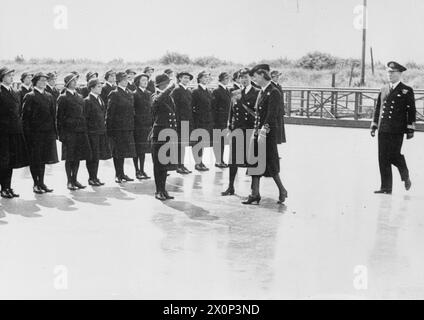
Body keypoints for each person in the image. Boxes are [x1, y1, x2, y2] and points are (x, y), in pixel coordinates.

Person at [243, 65, 288, 205]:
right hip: (259, 132)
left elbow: (272, 115)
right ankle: (255, 194)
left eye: (255, 76)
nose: (254, 79)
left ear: (262, 75)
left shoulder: (273, 91)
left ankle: (282, 190)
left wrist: (263, 131)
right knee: (255, 162)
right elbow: (259, 113)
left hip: (266, 133)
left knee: (270, 163)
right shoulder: (263, 91)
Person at [371, 61, 416, 194]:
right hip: (383, 128)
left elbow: (411, 111)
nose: (389, 75)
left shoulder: (406, 90)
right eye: (388, 72)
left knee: (393, 155)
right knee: (382, 157)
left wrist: (410, 128)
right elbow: (378, 108)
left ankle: (405, 174)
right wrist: (374, 125)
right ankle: (386, 187)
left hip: (397, 130)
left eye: (392, 72)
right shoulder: (383, 89)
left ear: (399, 74)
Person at [222, 68, 258, 196]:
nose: (243, 79)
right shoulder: (236, 92)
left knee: (252, 160)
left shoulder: (257, 92)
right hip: (237, 129)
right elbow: (231, 111)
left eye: (246, 77)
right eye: (241, 77)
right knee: (233, 159)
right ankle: (230, 187)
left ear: (251, 78)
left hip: (250, 129)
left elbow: (258, 112)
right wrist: (229, 126)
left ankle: (254, 190)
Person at [22, 73, 59, 194]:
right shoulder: (30, 96)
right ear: (36, 82)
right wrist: (27, 135)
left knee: (43, 159)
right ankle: (35, 184)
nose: (44, 82)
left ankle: (42, 182)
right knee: (35, 159)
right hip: (35, 134)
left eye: (45, 80)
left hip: (47, 134)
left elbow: (53, 116)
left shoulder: (49, 96)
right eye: (42, 80)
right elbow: (25, 118)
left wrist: (54, 133)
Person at [57, 73, 92, 191]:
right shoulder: (62, 97)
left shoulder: (79, 96)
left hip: (80, 131)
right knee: (69, 157)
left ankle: (75, 179)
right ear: (67, 83)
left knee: (77, 156)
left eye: (75, 81)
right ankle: (69, 181)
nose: (75, 82)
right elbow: (59, 118)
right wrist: (61, 135)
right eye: (72, 81)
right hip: (69, 132)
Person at [0, 67, 29, 198]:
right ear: (2, 77)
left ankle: (8, 187)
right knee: (3, 160)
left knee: (10, 161)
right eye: (9, 75)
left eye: (12, 75)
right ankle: (3, 188)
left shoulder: (14, 91)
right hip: (3, 132)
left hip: (14, 130)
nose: (12, 77)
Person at [151, 74, 178, 200]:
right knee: (158, 164)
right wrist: (169, 89)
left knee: (165, 164)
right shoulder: (155, 96)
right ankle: (158, 190)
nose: (169, 85)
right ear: (161, 84)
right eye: (167, 83)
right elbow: (157, 101)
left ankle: (163, 189)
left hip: (169, 133)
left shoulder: (168, 97)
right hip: (159, 134)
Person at [106, 71, 136, 183]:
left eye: (127, 79)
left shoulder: (129, 92)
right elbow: (110, 113)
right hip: (117, 128)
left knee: (123, 152)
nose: (126, 81)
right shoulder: (114, 93)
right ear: (118, 81)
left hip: (128, 127)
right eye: (123, 80)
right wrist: (110, 129)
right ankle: (118, 174)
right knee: (117, 152)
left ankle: (122, 173)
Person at [84, 78, 111, 186]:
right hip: (92, 133)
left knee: (97, 155)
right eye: (98, 86)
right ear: (92, 88)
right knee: (92, 156)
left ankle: (95, 177)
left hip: (100, 132)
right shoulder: (87, 100)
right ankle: (91, 177)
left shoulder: (99, 99)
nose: (101, 88)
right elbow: (85, 118)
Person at [172, 72, 194, 175]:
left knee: (183, 144)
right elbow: (174, 107)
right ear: (180, 79)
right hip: (179, 121)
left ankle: (181, 164)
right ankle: (178, 165)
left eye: (188, 78)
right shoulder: (177, 91)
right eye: (185, 78)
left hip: (187, 121)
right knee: (179, 144)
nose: (186, 80)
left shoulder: (188, 91)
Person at [191, 71, 213, 171]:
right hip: (199, 121)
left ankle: (200, 161)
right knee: (198, 142)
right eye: (204, 77)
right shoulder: (196, 91)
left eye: (208, 77)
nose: (207, 79)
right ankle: (197, 163)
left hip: (207, 120)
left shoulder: (207, 91)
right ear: (199, 79)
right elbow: (192, 107)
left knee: (202, 142)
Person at [133, 73, 153, 180]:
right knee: (138, 149)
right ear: (138, 82)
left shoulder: (148, 93)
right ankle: (137, 170)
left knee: (144, 150)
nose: (145, 82)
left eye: (146, 80)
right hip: (139, 126)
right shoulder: (135, 94)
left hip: (147, 125)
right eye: (143, 80)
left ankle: (142, 169)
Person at [211, 72, 232, 168]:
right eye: (225, 78)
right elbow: (214, 107)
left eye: (228, 78)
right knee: (218, 141)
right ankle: (218, 161)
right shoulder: (217, 91)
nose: (227, 80)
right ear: (221, 79)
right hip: (218, 121)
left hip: (225, 120)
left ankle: (221, 159)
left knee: (222, 141)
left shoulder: (227, 90)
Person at [270, 69, 286, 144]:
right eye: (276, 76)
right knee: (276, 125)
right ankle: (276, 140)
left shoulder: (278, 85)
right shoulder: (271, 86)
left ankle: (279, 140)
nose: (277, 78)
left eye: (278, 76)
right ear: (272, 77)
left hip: (280, 109)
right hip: (275, 109)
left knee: (280, 125)